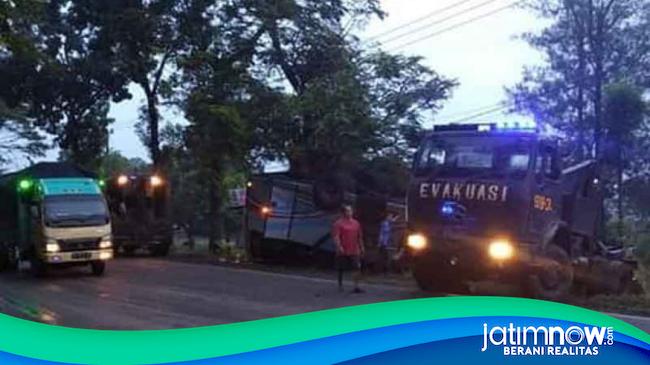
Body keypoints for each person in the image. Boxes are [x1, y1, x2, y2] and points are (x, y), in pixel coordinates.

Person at [332, 205, 365, 293]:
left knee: (356, 267)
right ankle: (340, 285)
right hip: (343, 249)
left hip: (354, 249)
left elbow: (359, 236)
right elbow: (336, 237)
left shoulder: (356, 223)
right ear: (344, 213)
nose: (350, 213)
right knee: (341, 268)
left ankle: (356, 286)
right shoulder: (338, 224)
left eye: (350, 211)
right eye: (348, 211)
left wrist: (362, 247)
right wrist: (339, 247)